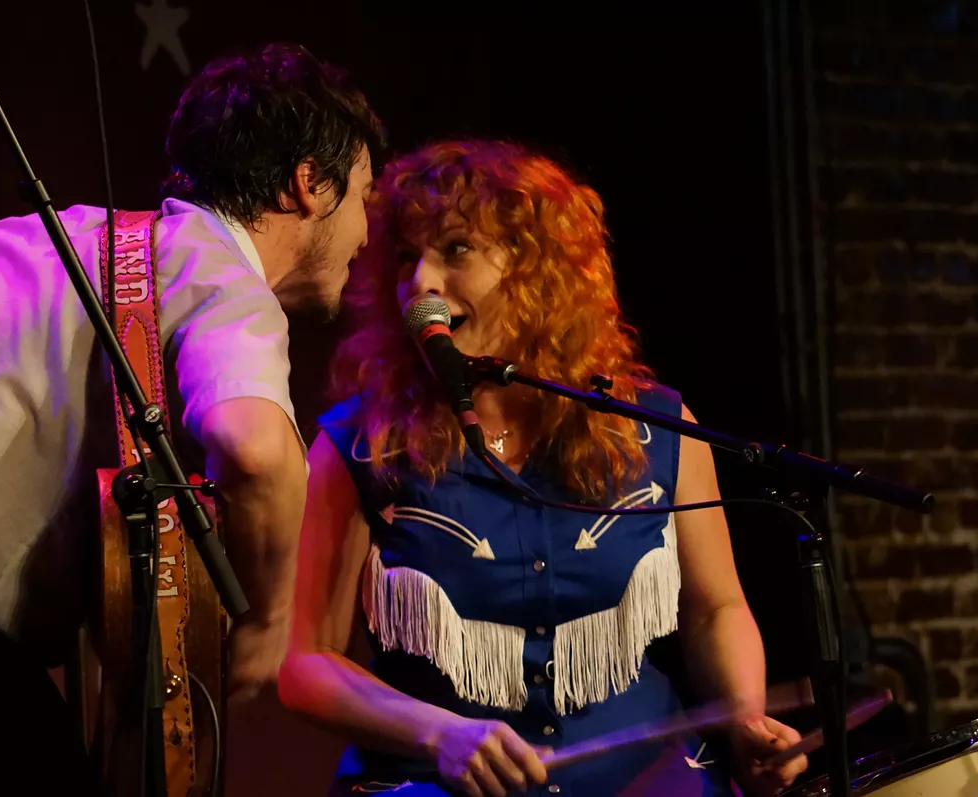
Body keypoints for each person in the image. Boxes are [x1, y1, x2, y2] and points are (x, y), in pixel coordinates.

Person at [0, 42, 383, 797]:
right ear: (309, 185)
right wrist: (264, 628)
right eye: (365, 201)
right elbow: (256, 450)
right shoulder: (217, 272)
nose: (368, 237)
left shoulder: (16, 244)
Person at [277, 140, 809, 797]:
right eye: (408, 258)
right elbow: (305, 664)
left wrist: (745, 718)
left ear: (535, 268)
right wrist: (438, 732)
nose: (421, 285)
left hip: (649, 780)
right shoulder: (358, 444)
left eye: (456, 249)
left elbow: (714, 608)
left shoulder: (656, 428)